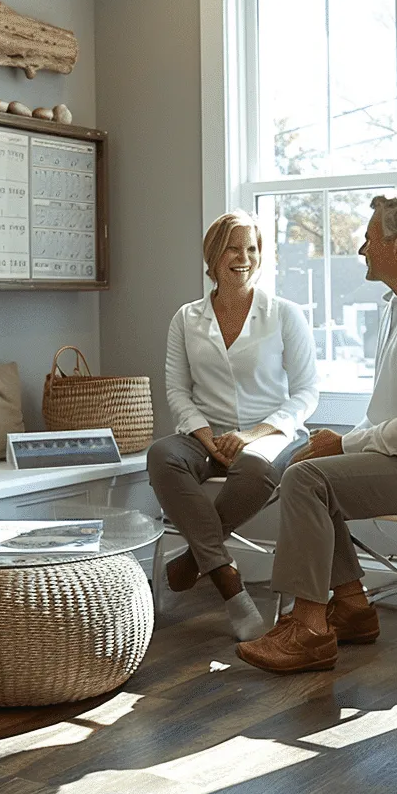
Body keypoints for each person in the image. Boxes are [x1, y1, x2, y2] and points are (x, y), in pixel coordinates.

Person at [237, 190, 397, 674]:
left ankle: (308, 630)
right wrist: (334, 448)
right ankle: (350, 607)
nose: (361, 248)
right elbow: (394, 415)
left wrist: (345, 444)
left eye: (369, 238)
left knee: (308, 481)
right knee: (309, 468)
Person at [147, 211, 317, 640]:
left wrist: (252, 435)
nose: (244, 258)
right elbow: (177, 392)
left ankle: (195, 561)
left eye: (252, 249)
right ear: (213, 256)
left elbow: (306, 393)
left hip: (272, 436)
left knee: (255, 468)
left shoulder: (284, 314)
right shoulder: (186, 318)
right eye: (233, 248)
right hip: (206, 435)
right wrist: (206, 436)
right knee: (162, 454)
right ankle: (231, 586)